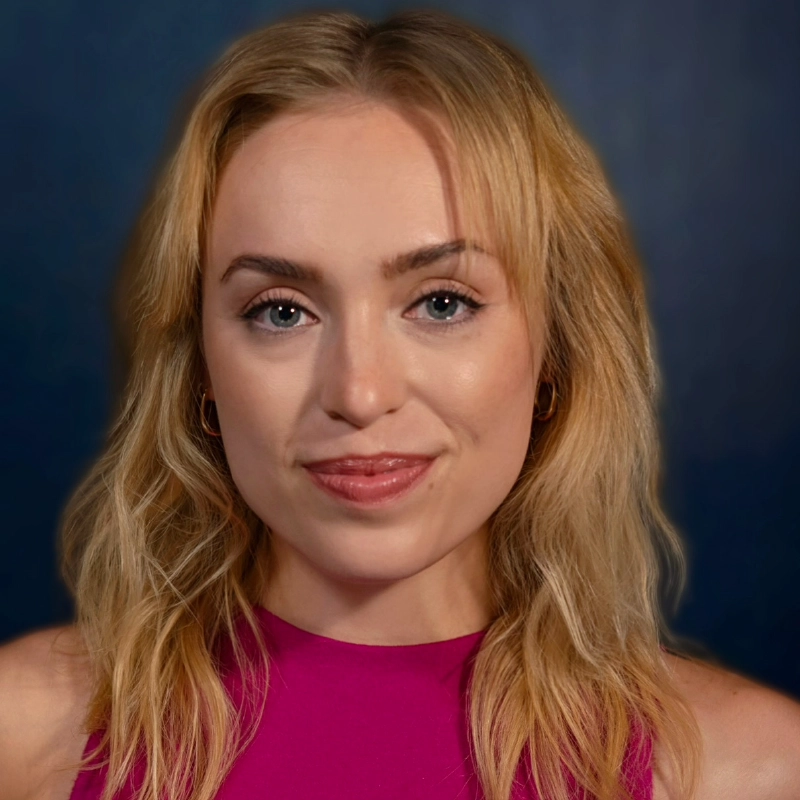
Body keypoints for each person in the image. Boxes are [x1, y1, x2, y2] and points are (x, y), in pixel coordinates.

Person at [1, 8, 798, 800]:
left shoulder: (750, 771)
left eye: (442, 303)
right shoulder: (25, 734)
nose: (360, 394)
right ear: (200, 367)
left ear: (555, 349)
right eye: (282, 312)